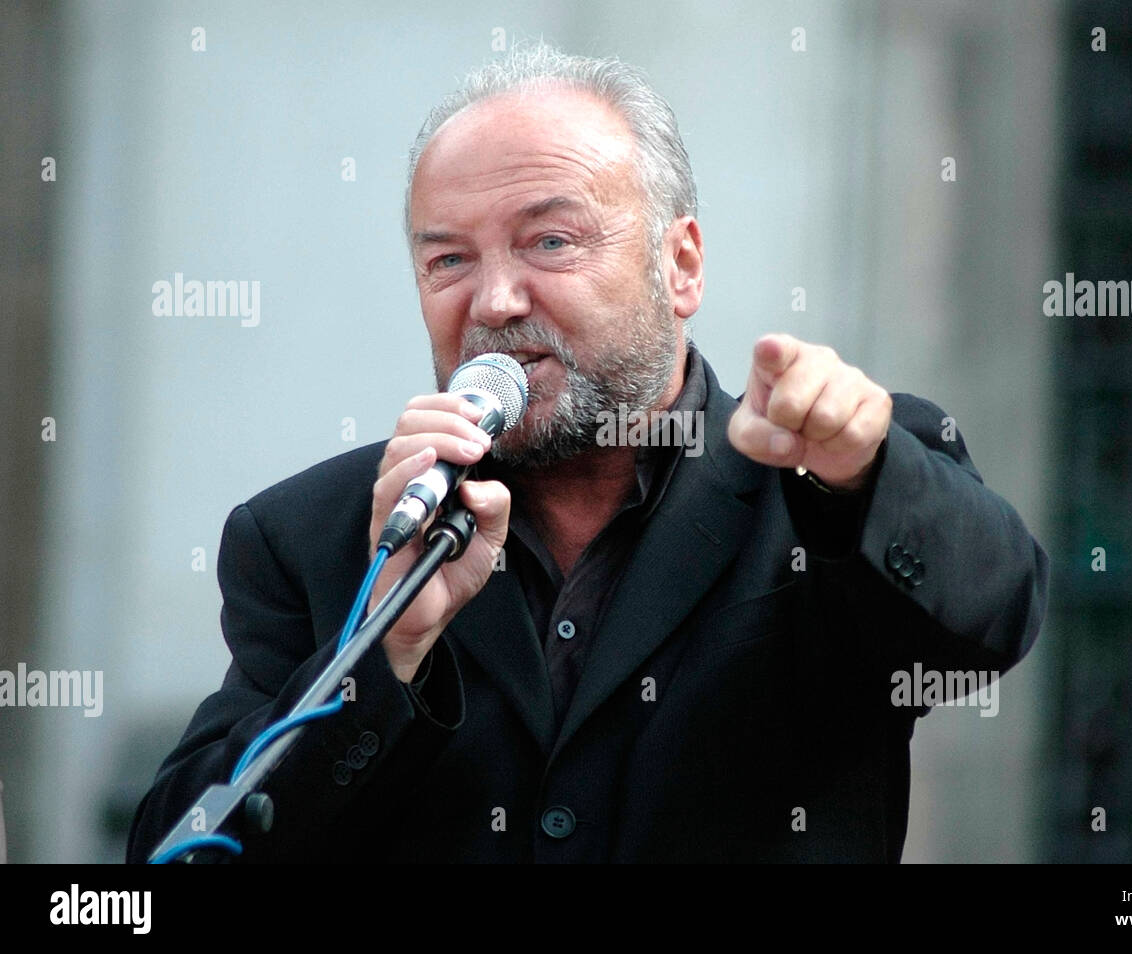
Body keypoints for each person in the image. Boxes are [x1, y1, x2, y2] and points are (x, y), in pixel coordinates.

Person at [127, 41, 1048, 863]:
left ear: (679, 265)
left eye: (550, 241)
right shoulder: (322, 535)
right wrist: (389, 650)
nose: (493, 301)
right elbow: (176, 855)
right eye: (447, 260)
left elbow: (989, 620)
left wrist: (865, 474)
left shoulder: (821, 479)